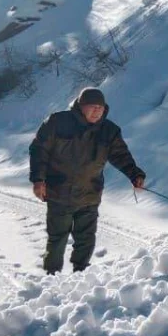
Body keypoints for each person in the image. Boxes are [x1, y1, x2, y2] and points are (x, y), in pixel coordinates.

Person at [29, 87, 146, 274]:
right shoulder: (58, 122)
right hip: (59, 192)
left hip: (90, 193)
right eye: (92, 107)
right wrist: (38, 180)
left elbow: (121, 155)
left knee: (86, 238)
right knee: (58, 237)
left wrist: (135, 175)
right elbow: (39, 150)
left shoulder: (109, 131)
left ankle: (81, 273)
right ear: (81, 106)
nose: (97, 111)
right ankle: (51, 275)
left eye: (100, 108)